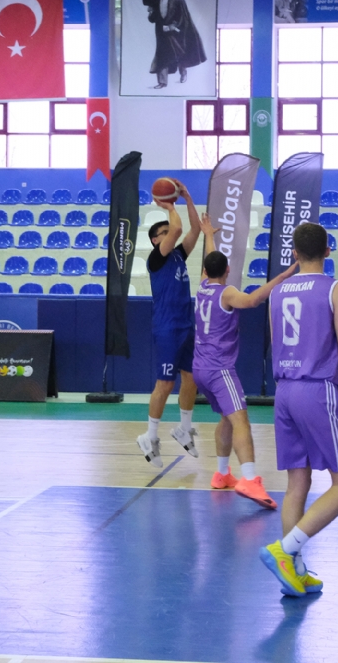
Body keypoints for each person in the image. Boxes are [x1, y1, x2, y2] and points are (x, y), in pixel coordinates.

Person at [259, 222, 338, 597]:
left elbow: (276, 343)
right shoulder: (336, 288)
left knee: (297, 482)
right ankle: (285, 550)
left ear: (294, 253)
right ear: (328, 250)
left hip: (284, 391)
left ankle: (294, 570)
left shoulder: (276, 292)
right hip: (316, 390)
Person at [193, 213, 297, 509]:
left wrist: (208, 235)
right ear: (227, 270)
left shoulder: (202, 286)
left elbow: (210, 262)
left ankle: (222, 474)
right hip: (219, 369)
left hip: (200, 367)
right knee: (241, 420)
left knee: (227, 418)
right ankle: (249, 478)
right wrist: (283, 277)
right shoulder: (227, 293)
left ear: (206, 270)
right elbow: (252, 300)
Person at [136, 179, 203, 468]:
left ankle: (184, 428)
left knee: (192, 378)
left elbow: (195, 230)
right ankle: (149, 436)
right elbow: (177, 229)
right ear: (155, 240)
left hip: (186, 325)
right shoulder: (157, 259)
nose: (170, 233)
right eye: (162, 233)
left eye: (168, 231)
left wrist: (188, 198)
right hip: (167, 328)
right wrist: (169, 206)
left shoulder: (178, 255)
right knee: (165, 383)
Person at [142, 0, 207, 89]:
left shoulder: (179, 1)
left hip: (176, 34)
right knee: (161, 57)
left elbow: (183, 18)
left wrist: (171, 26)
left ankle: (183, 72)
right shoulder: (156, 3)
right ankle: (162, 82)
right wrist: (150, 11)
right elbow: (152, 19)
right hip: (162, 35)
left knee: (180, 54)